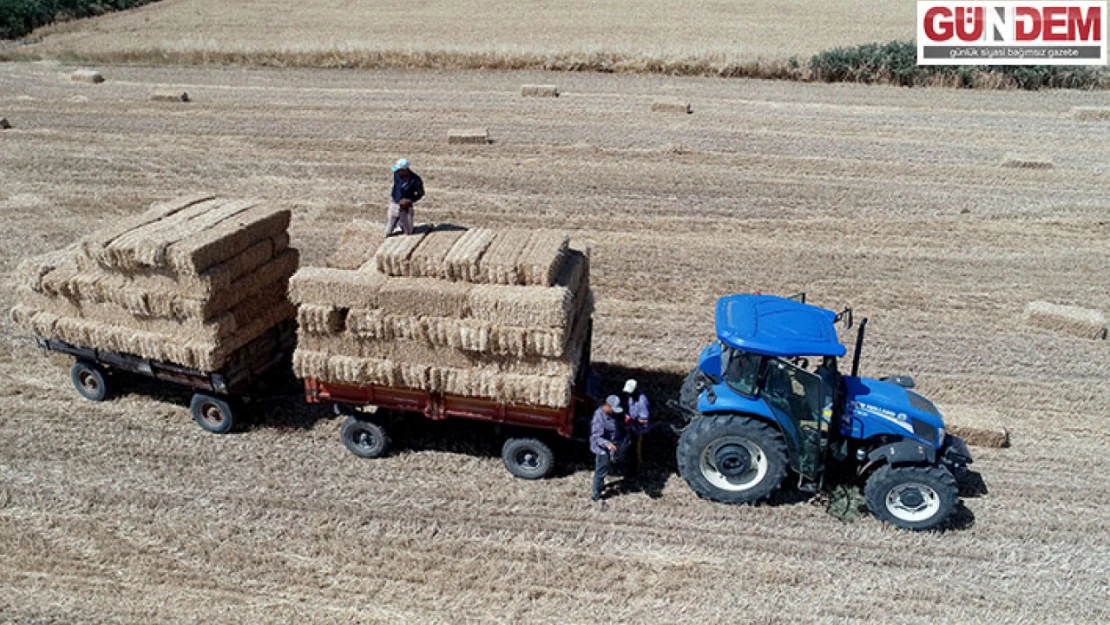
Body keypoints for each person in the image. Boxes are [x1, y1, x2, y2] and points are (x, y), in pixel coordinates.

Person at [590, 395, 626, 506]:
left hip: (611, 445)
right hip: (602, 449)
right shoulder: (599, 418)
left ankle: (600, 487)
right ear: (607, 406)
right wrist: (608, 444)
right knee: (600, 471)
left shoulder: (610, 414)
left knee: (605, 468)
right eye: (613, 409)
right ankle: (596, 495)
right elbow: (596, 437)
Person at [385, 158, 425, 237]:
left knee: (409, 232)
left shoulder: (415, 180)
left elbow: (421, 193)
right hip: (394, 203)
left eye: (399, 170)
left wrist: (409, 200)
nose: (396, 171)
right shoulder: (396, 174)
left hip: (406, 207)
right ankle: (398, 220)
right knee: (388, 232)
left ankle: (401, 221)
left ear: (405, 170)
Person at [621, 379, 650, 477]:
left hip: (639, 430)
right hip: (632, 427)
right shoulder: (630, 397)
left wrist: (633, 419)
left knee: (636, 451)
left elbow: (645, 419)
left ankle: (635, 471)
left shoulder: (642, 401)